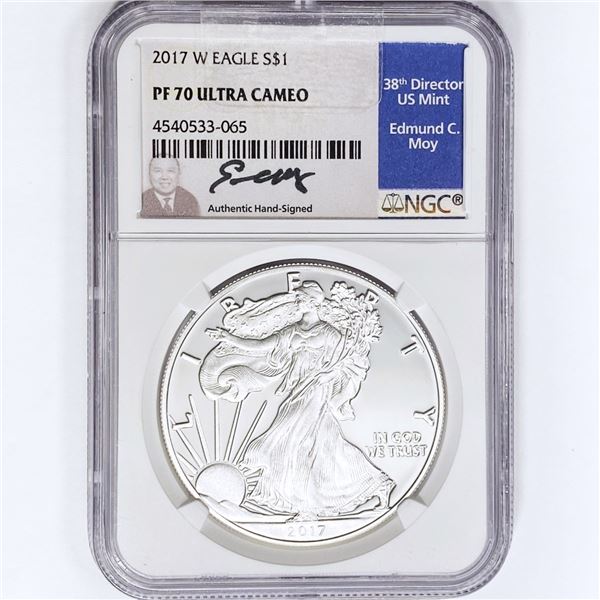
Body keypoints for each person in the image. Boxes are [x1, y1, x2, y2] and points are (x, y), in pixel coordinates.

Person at [200, 281, 394, 520]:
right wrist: (229, 338)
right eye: (299, 298)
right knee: (326, 445)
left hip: (317, 391)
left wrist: (327, 375)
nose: (298, 302)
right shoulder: (291, 331)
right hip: (297, 390)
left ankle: (306, 507)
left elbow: (345, 363)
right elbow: (261, 346)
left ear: (313, 302)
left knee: (295, 440)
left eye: (302, 299)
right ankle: (377, 484)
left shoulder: (329, 333)